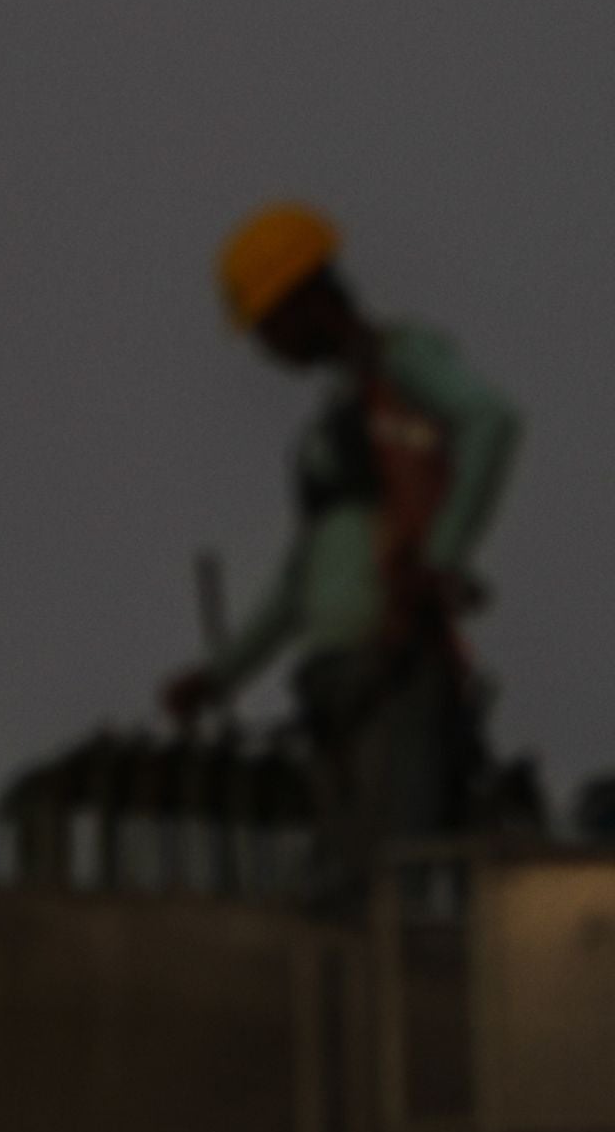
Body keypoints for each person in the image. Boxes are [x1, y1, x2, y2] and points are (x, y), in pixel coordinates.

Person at [160, 203, 520, 905]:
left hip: (395, 664)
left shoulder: (403, 359)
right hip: (339, 684)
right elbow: (303, 578)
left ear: (307, 298)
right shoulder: (341, 414)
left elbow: (490, 421)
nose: (266, 347)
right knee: (344, 884)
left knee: (388, 878)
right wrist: (221, 675)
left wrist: (440, 557)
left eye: (267, 325)